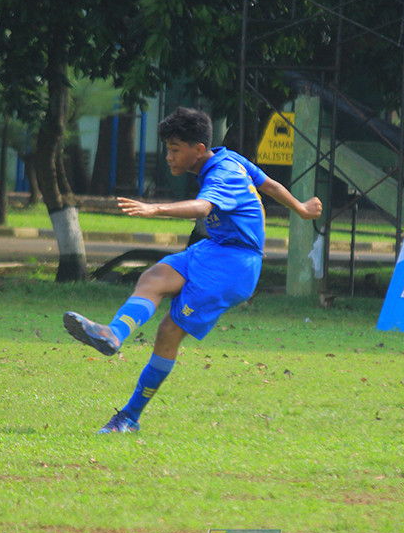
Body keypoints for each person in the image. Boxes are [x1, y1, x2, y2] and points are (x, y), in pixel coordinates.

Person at [64, 106, 323, 433]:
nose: (169, 157)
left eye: (174, 150)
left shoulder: (222, 174)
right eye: (168, 149)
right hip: (213, 249)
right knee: (153, 277)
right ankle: (114, 333)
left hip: (234, 265)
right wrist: (300, 208)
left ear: (198, 150)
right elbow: (268, 184)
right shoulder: (230, 158)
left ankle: (129, 417)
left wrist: (155, 208)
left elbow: (203, 207)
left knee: (168, 332)